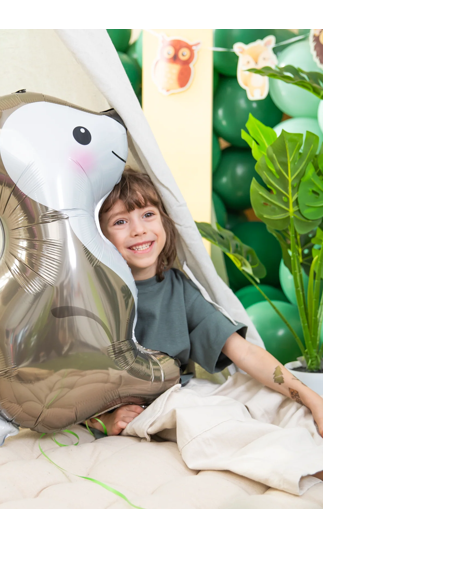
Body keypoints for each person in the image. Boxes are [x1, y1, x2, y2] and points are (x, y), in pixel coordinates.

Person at [86, 168, 324, 443]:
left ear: (165, 221)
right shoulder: (94, 296)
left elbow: (244, 352)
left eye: (148, 214)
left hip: (180, 393)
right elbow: (71, 377)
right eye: (120, 221)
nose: (139, 229)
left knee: (275, 401)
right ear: (100, 236)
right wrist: (103, 419)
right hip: (150, 408)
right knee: (205, 420)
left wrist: (312, 398)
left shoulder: (179, 289)